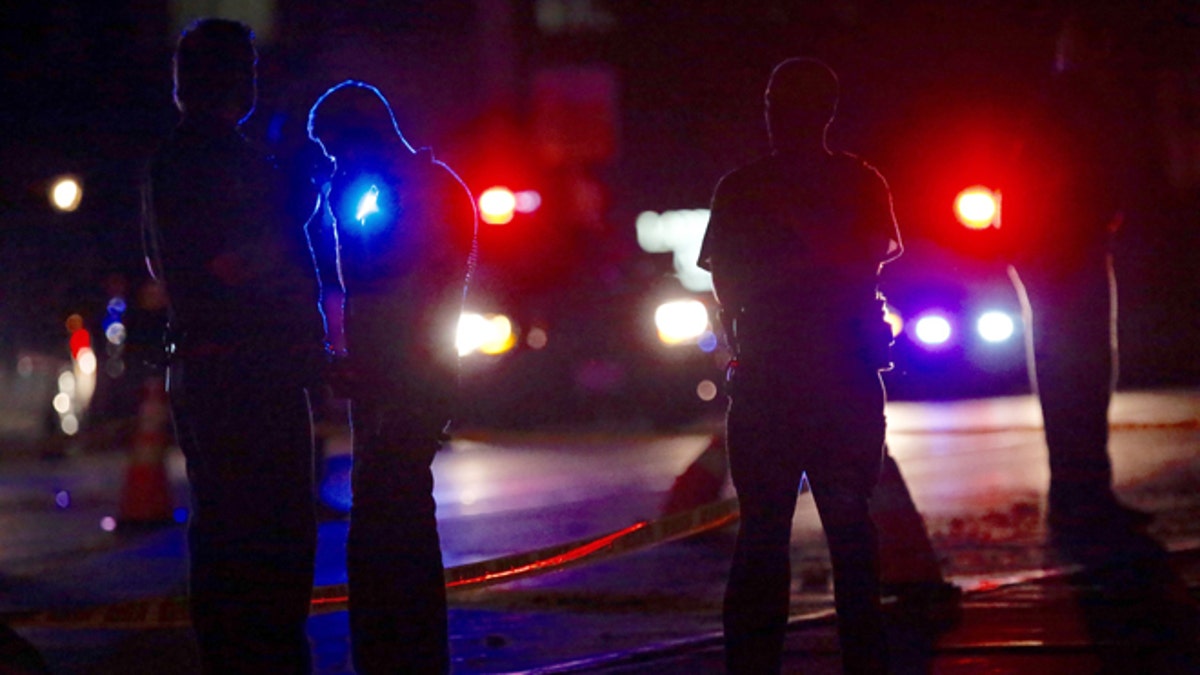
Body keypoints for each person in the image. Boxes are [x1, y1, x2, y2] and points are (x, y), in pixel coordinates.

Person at [698, 57, 901, 673]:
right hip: (844, 381)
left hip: (769, 384)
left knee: (762, 538)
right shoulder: (861, 182)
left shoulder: (742, 188)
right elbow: (872, 260)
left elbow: (725, 286)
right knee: (850, 533)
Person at [141, 18, 325, 674]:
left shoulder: (197, 158)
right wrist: (295, 199)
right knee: (262, 545)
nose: (253, 80)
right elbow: (228, 265)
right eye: (243, 68)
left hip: (234, 369)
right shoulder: (204, 162)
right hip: (242, 376)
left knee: (238, 540)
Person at [306, 80, 477, 674]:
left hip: (408, 376)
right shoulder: (410, 186)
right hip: (393, 375)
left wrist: (334, 213)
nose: (334, 162)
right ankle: (400, 650)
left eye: (336, 148)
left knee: (391, 514)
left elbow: (382, 275)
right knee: (389, 511)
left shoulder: (411, 190)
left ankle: (398, 651)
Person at [1003, 12, 1150, 533]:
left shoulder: (1063, 101)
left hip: (1064, 252)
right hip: (1064, 254)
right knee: (1079, 374)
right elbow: (1063, 180)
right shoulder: (1069, 103)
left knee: (1079, 374)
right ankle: (1081, 493)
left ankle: (1080, 491)